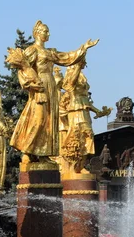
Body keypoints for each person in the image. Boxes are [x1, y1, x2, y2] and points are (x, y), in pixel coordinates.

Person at [6, 20, 98, 164]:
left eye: (48, 31)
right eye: (45, 31)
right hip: (40, 87)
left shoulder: (50, 52)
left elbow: (67, 58)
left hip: (52, 88)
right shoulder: (32, 50)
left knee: (49, 122)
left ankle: (44, 153)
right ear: (37, 33)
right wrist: (33, 84)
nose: (48, 34)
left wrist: (84, 48)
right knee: (38, 119)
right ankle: (26, 151)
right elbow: (23, 68)